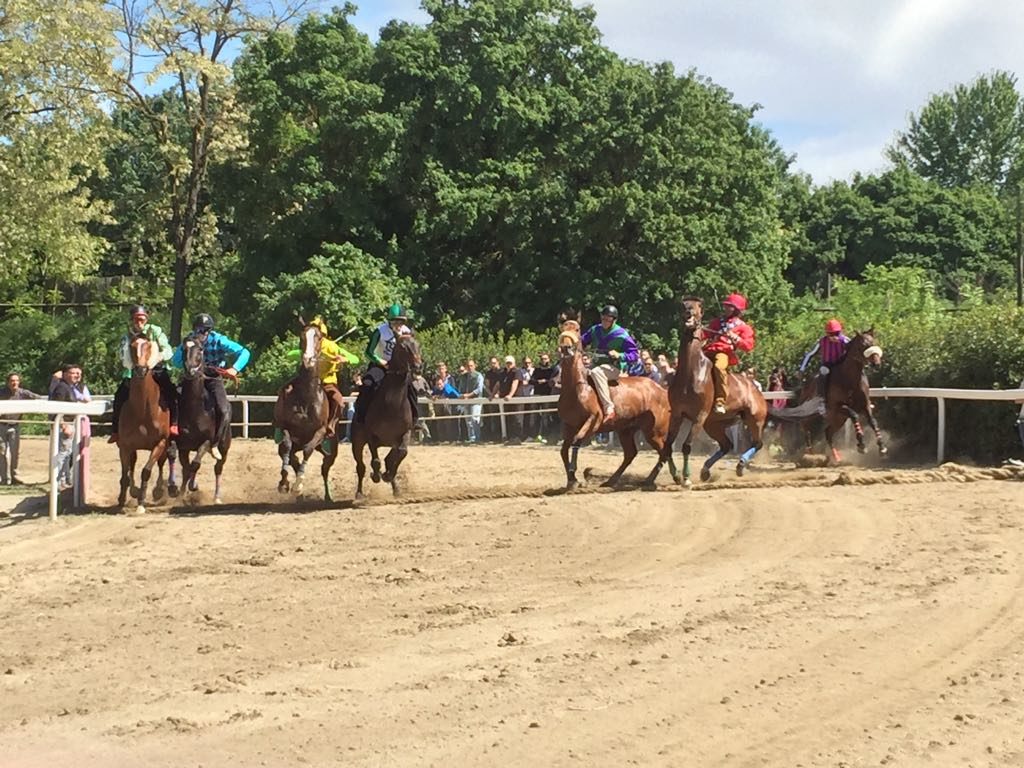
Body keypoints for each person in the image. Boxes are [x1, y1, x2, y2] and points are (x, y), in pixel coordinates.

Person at [171, 313, 251, 457]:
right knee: (172, 399)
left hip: (213, 378)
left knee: (224, 409)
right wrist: (185, 351)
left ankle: (215, 442)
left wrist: (235, 368)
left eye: (206, 330)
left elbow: (244, 352)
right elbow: (175, 361)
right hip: (191, 378)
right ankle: (172, 434)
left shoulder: (219, 340)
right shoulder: (188, 341)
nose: (203, 333)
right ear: (195, 329)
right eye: (200, 330)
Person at [109, 305, 178, 444]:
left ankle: (174, 424)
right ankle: (116, 431)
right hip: (133, 372)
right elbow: (122, 354)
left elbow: (168, 350)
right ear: (132, 320)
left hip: (155, 369)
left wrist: (158, 357)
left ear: (146, 319)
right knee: (119, 396)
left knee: (172, 393)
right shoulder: (126, 336)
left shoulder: (156, 331)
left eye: (142, 319)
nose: (139, 322)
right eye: (136, 319)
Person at [284, 316, 358, 439]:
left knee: (339, 401)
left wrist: (343, 359)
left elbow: (355, 359)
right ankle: (280, 423)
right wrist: (302, 355)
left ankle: (330, 427)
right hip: (306, 381)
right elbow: (289, 355)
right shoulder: (307, 346)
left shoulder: (332, 347)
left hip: (327, 382)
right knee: (284, 390)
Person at [356, 303, 422, 431]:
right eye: (395, 321)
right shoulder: (380, 331)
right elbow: (369, 352)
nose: (398, 324)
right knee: (367, 385)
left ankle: (415, 419)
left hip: (400, 369)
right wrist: (382, 362)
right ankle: (361, 417)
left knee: (412, 389)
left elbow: (412, 351)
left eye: (401, 321)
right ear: (389, 321)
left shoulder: (407, 332)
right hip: (380, 365)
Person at [580, 305, 641, 424]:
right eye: (603, 319)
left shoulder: (621, 334)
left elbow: (634, 355)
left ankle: (609, 408)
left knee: (596, 372)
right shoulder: (595, 330)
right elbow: (582, 341)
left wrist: (620, 355)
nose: (605, 322)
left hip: (613, 367)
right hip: (595, 364)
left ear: (614, 320)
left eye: (608, 320)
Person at [703, 293, 755, 414]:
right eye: (726, 306)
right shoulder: (716, 322)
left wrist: (736, 338)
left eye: (729, 306)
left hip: (723, 352)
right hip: (707, 351)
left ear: (736, 310)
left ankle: (720, 401)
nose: (725, 308)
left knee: (719, 367)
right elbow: (704, 335)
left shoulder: (743, 327)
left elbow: (749, 346)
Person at [0, 373, 45, 485]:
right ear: (8, 382)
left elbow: (39, 398)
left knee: (15, 453)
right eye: (12, 381)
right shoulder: (1, 393)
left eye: (16, 381)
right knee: (2, 453)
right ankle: (4, 479)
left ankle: (14, 477)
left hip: (15, 426)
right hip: (1, 426)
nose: (14, 383)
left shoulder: (23, 393)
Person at [799, 318, 851, 414]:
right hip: (828, 365)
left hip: (841, 365)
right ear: (827, 333)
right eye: (831, 334)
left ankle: (863, 399)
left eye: (836, 333)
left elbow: (855, 352)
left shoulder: (846, 341)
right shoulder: (822, 341)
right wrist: (802, 369)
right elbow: (810, 354)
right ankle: (822, 402)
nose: (833, 336)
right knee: (822, 375)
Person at [494, 354, 526, 443]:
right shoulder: (503, 373)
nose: (509, 364)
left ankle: (518, 438)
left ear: (514, 363)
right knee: (509, 418)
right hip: (506, 400)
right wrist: (493, 394)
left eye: (510, 363)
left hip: (516, 398)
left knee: (517, 418)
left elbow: (515, 383)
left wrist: (510, 395)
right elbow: (498, 384)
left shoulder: (517, 371)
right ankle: (510, 437)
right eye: (507, 363)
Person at [458, 358, 485, 443]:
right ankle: (471, 438)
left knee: (475, 419)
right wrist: (461, 395)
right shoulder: (463, 376)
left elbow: (479, 390)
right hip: (466, 401)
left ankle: (477, 438)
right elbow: (460, 388)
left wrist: (468, 395)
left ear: (475, 366)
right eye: (468, 366)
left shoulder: (478, 375)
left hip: (476, 400)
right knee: (468, 420)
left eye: (471, 365)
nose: (470, 367)